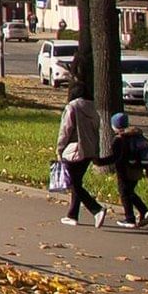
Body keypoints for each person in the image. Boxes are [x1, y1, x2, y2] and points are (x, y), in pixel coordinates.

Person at [55, 83, 106, 227]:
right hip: (89, 150)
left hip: (74, 150)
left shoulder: (72, 107)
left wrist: (59, 148)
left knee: (73, 183)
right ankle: (72, 215)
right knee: (76, 182)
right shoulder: (93, 108)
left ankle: (96, 209)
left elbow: (65, 130)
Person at [104, 112, 148, 228]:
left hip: (124, 170)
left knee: (124, 193)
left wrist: (99, 161)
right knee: (129, 192)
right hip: (137, 169)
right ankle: (144, 212)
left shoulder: (119, 139)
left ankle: (130, 219)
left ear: (115, 126)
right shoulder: (136, 136)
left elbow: (115, 157)